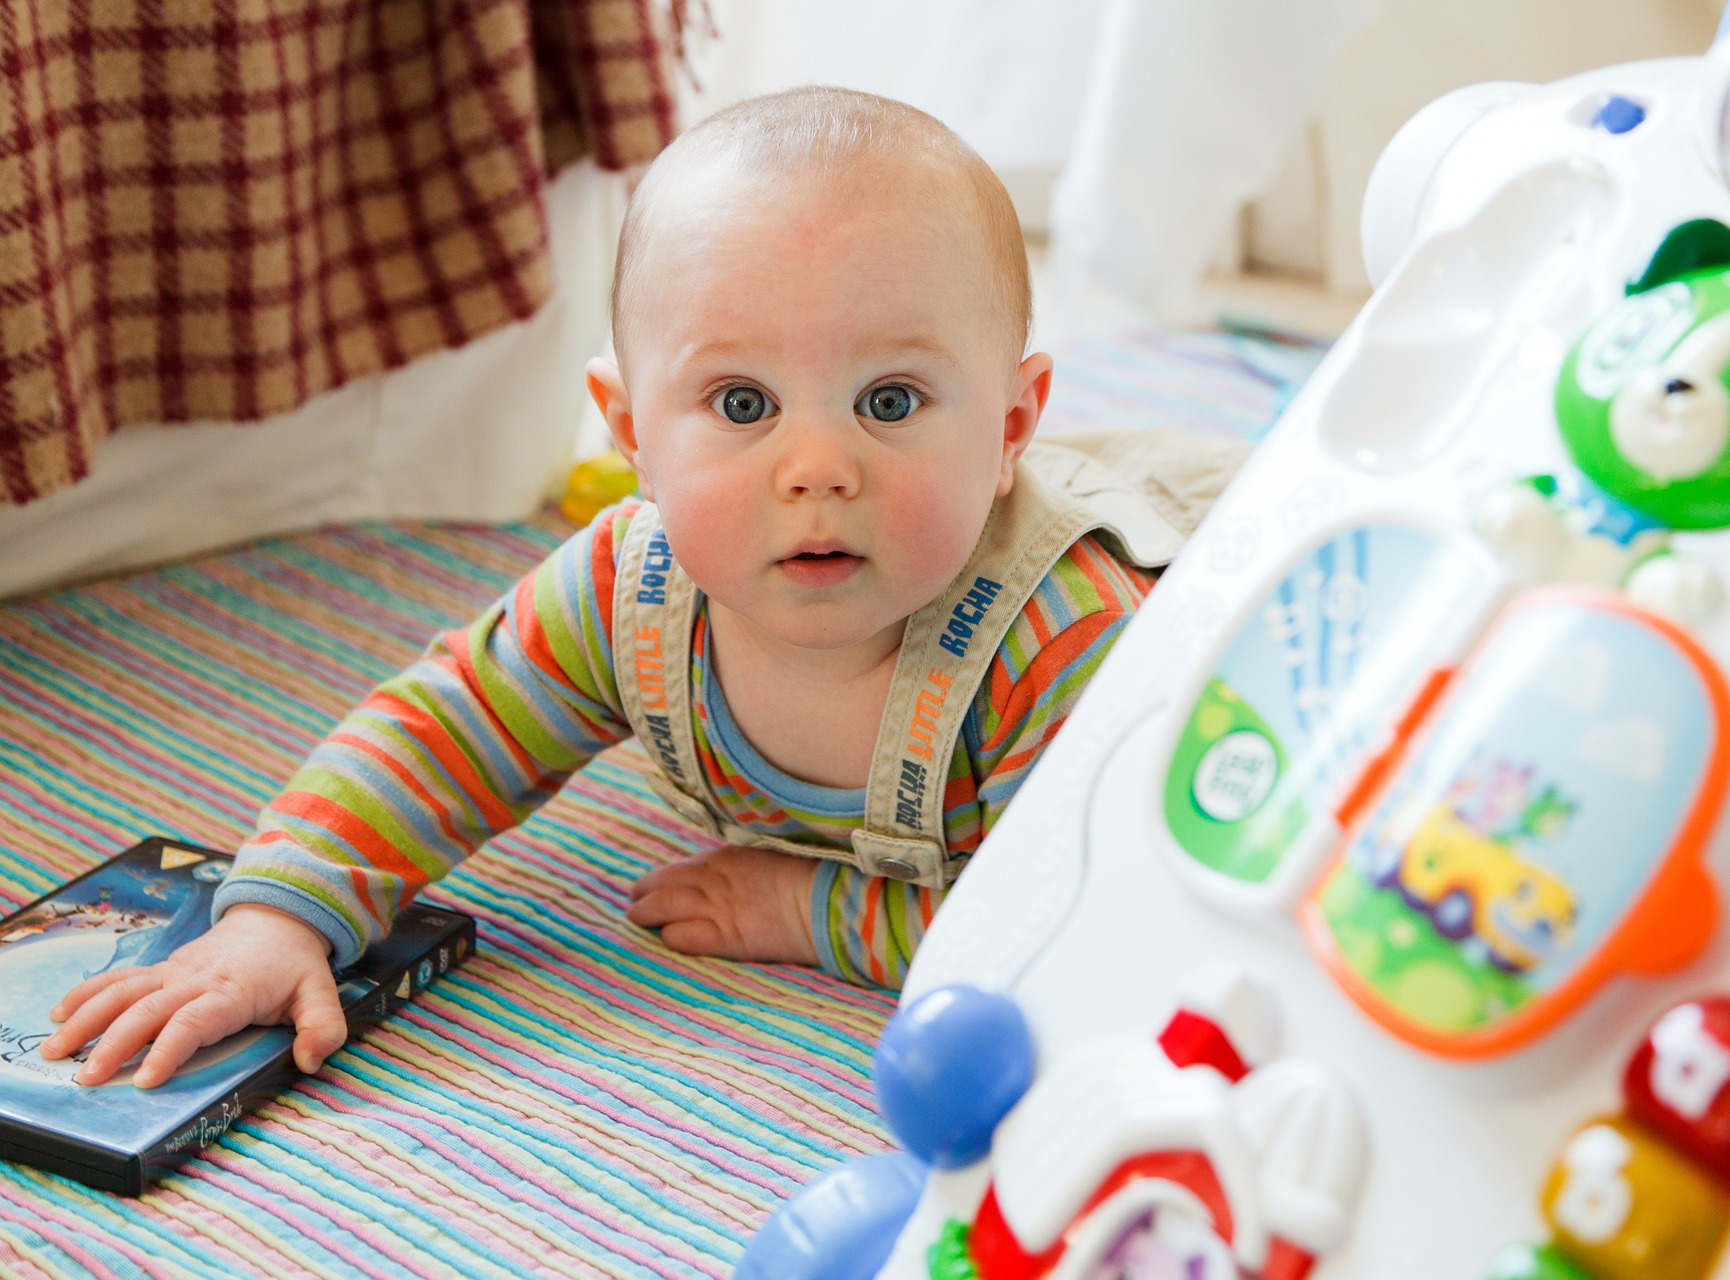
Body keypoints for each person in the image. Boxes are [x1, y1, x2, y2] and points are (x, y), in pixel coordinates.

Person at [41, 87, 1247, 1089]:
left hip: (1230, 587)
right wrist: (280, 913)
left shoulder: (1068, 644)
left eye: (890, 402)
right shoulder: (633, 583)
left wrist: (812, 908)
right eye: (740, 405)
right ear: (630, 430)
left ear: (1010, 426)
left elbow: (1087, 924)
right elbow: (447, 729)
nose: (818, 468)